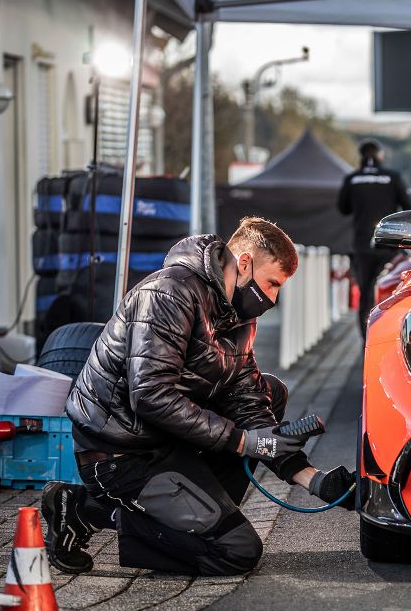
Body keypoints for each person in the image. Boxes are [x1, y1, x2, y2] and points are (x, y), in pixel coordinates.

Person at [42, 217, 356, 577]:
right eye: (271, 284)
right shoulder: (167, 294)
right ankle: (80, 508)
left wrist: (314, 480)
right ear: (244, 263)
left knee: (270, 390)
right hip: (121, 451)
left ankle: (200, 514)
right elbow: (150, 394)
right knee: (235, 551)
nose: (272, 298)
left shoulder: (237, 314)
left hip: (169, 439)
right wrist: (242, 442)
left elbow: (247, 398)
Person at [338, 139, 411, 336]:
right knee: (390, 291)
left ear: (361, 156)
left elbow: (343, 208)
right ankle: (388, 334)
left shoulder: (352, 178)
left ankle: (366, 339)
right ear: (380, 156)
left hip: (362, 246)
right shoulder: (393, 177)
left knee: (365, 293)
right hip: (388, 244)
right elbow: (409, 208)